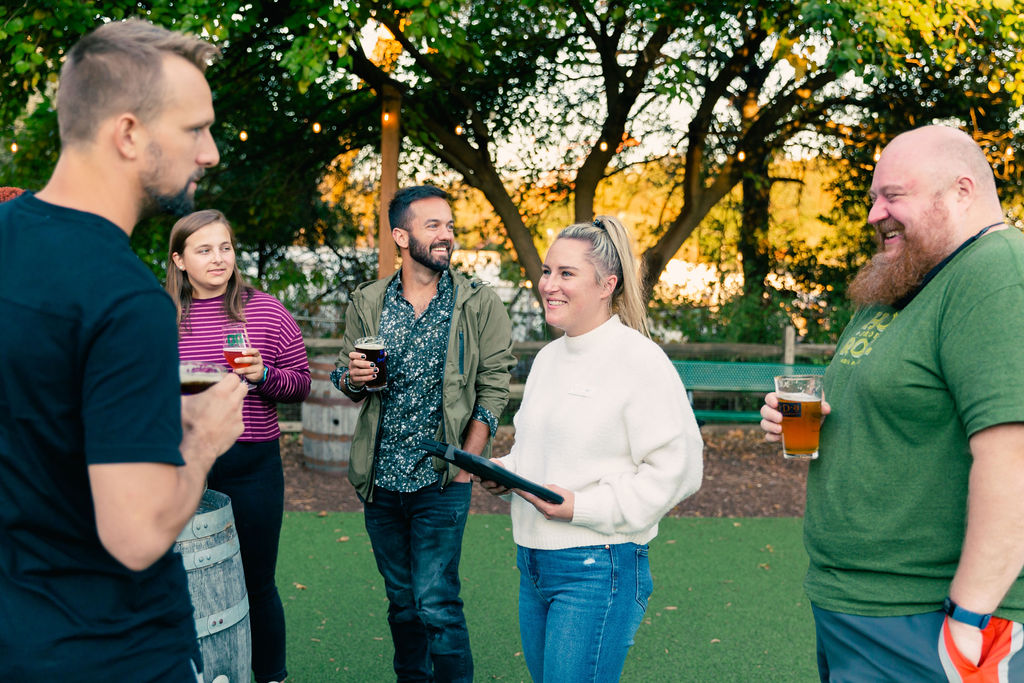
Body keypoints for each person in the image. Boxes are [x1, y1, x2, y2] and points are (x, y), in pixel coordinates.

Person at [0, 19, 247, 682]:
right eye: (195, 129)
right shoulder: (127, 300)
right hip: (115, 652)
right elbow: (135, 535)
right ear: (130, 132)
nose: (211, 153)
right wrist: (203, 438)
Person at [760, 124, 1024, 681]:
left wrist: (969, 615)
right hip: (852, 604)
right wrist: (802, 421)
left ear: (961, 191)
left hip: (929, 617)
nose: (874, 214)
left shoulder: (998, 270)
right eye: (873, 198)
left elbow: (1014, 458)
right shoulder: (899, 285)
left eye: (893, 196)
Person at [479, 216, 704, 682]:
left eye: (566, 274)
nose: (549, 285)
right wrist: (503, 470)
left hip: (598, 567)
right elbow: (535, 450)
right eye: (547, 271)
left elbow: (679, 471)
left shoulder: (639, 360)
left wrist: (580, 506)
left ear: (608, 285)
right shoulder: (547, 358)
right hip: (532, 562)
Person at [330, 184, 515, 682]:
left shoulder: (477, 302)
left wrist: (466, 466)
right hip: (380, 479)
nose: (446, 235)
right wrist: (354, 379)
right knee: (402, 605)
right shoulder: (368, 301)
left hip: (441, 478)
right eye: (433, 225)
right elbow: (343, 378)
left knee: (436, 605)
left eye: (450, 225)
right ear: (400, 236)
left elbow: (495, 388)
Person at [167, 208, 311, 683]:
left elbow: (301, 384)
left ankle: (271, 675)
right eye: (204, 250)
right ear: (180, 260)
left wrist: (264, 376)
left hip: (252, 463)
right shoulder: (161, 315)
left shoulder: (266, 309)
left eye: (225, 247)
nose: (218, 258)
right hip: (180, 464)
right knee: (173, 583)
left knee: (258, 581)